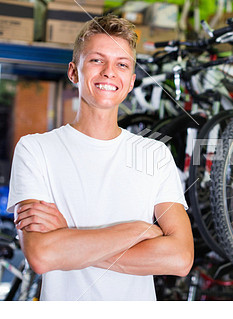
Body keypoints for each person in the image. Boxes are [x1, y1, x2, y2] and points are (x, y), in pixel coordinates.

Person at [7, 14, 194, 301]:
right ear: (74, 72)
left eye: (121, 64)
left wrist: (68, 236)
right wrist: (139, 231)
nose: (109, 72)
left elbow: (180, 258)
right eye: (96, 60)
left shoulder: (154, 154)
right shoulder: (35, 149)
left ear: (131, 82)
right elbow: (42, 255)